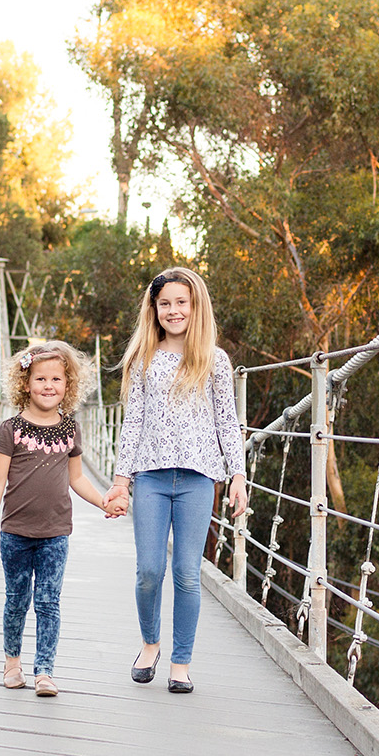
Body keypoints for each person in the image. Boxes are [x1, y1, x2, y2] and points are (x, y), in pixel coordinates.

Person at [103, 268, 248, 694]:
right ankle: (150, 644)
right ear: (155, 309)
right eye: (164, 303)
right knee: (149, 570)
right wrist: (120, 480)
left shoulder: (214, 360)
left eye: (181, 302)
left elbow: (227, 421)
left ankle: (181, 661)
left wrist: (237, 474)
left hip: (199, 480)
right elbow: (134, 422)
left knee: (186, 573)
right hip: (150, 477)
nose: (173, 310)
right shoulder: (144, 358)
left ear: (195, 305)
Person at [0, 341, 120, 696]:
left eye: (57, 378)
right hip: (15, 532)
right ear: (26, 383)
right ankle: (12, 662)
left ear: (67, 386)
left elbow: (77, 478)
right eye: (40, 378)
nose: (48, 385)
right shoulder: (11, 429)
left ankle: (44, 670)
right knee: (17, 600)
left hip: (56, 532)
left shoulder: (69, 429)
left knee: (48, 601)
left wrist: (103, 500)